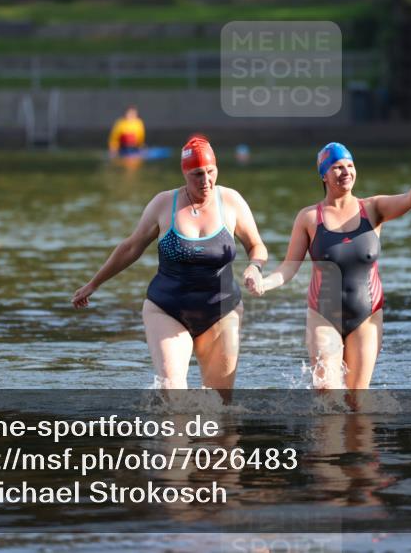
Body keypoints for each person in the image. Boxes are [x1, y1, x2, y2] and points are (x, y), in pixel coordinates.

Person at [73, 136, 267, 395]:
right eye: (197, 174)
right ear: (184, 172)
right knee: (173, 392)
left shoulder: (231, 201)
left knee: (221, 409)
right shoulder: (164, 204)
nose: (206, 181)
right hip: (167, 309)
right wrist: (94, 284)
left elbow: (257, 246)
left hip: (222, 311)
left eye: (211, 172)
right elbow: (131, 247)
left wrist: (255, 267)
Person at [252, 140, 411, 390]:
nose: (346, 172)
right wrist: (264, 283)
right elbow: (289, 267)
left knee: (357, 401)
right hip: (323, 316)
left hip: (367, 317)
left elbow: (410, 200)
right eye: (337, 167)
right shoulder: (310, 218)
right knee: (326, 391)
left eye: (350, 165)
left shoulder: (373, 208)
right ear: (323, 175)